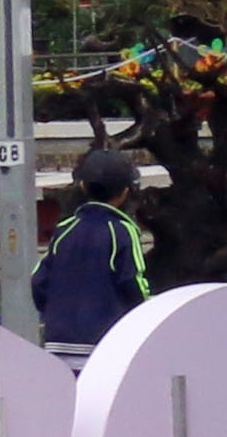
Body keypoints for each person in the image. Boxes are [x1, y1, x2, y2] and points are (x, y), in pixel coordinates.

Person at [34, 146, 149, 368]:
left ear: (83, 186)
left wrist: (54, 314)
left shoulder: (65, 228)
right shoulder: (122, 231)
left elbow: (39, 281)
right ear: (126, 191)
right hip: (105, 346)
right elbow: (133, 284)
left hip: (58, 345)